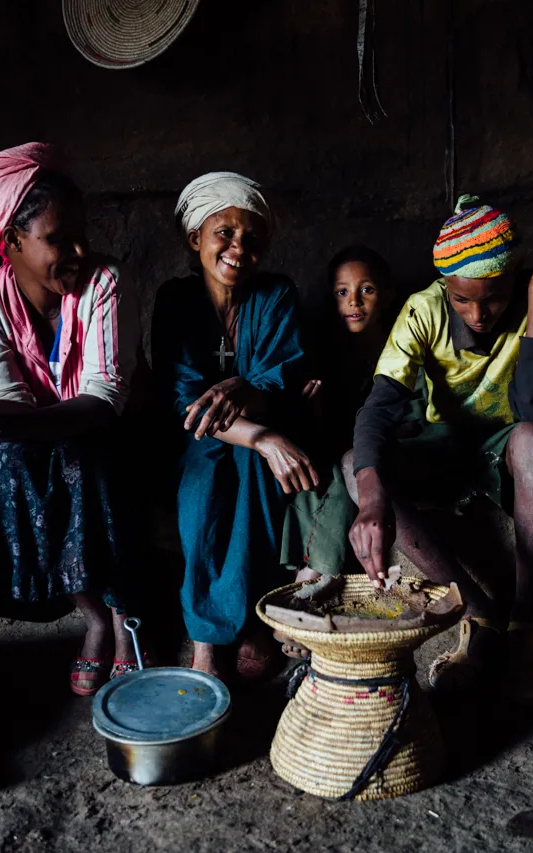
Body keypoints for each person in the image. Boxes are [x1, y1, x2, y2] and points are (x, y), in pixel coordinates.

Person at [0, 143, 144, 697]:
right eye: (57, 239)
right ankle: (93, 616)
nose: (78, 250)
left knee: (86, 451)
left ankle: (125, 619)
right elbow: (5, 399)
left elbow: (103, 401)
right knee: (10, 457)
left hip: (111, 431)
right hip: (35, 434)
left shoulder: (104, 282)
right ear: (11, 242)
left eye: (81, 234)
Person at [345, 194, 533, 702]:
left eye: (493, 297)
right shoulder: (423, 310)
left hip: (505, 447)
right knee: (353, 466)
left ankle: (526, 624)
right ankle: (478, 612)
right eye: (461, 300)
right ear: (445, 288)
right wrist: (371, 496)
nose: (477, 314)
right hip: (444, 446)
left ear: (514, 278)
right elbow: (379, 407)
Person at [153, 172, 321, 681]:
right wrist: (263, 437)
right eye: (223, 233)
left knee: (253, 470)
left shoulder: (275, 294)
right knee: (205, 469)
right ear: (195, 239)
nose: (238, 248)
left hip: (262, 426)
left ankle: (249, 617)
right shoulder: (176, 299)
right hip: (195, 436)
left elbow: (280, 376)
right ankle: (205, 638)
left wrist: (249, 396)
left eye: (251, 237)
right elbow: (184, 400)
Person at [280, 246, 398, 583]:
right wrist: (313, 412)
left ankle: (315, 573)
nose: (354, 302)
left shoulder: (402, 347)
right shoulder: (325, 358)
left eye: (367, 290)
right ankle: (313, 570)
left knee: (348, 465)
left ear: (387, 295)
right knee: (324, 471)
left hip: (390, 452)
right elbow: (325, 435)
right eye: (342, 292)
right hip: (340, 455)